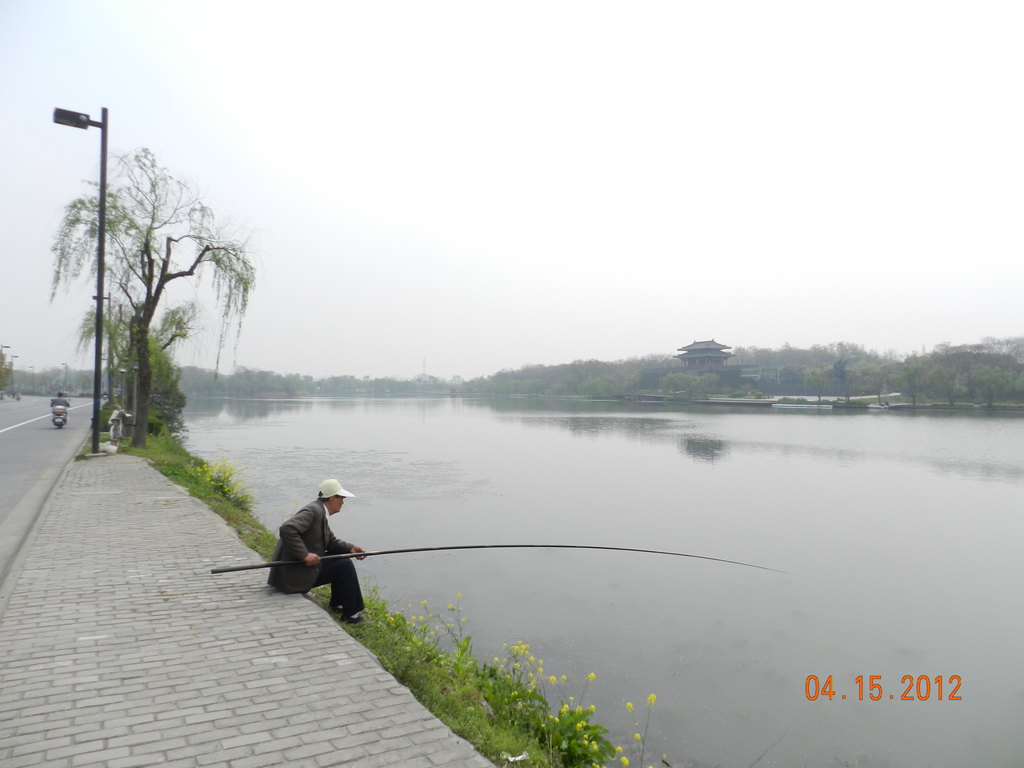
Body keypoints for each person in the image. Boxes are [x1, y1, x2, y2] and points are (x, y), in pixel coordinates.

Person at [267, 478, 368, 624]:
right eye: (342, 499)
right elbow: (287, 529)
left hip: (295, 570)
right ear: (333, 498)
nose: (343, 503)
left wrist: (350, 548)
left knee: (340, 558)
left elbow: (331, 541)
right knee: (344, 565)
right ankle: (352, 616)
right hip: (292, 576)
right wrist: (305, 555)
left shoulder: (320, 511)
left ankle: (338, 605)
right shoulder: (313, 511)